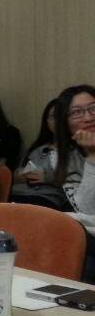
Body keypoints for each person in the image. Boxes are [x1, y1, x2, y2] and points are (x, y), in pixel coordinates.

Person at [52, 85, 95, 281]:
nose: (88, 117)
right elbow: (85, 207)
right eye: (77, 112)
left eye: (93, 108)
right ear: (65, 122)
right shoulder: (62, 157)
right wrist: (92, 156)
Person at [11, 98, 67, 210]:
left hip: (45, 198)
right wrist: (19, 175)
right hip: (18, 194)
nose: (56, 121)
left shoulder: (75, 150)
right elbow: (19, 172)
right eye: (51, 117)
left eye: (60, 116)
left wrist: (48, 177)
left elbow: (78, 180)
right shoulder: (38, 148)